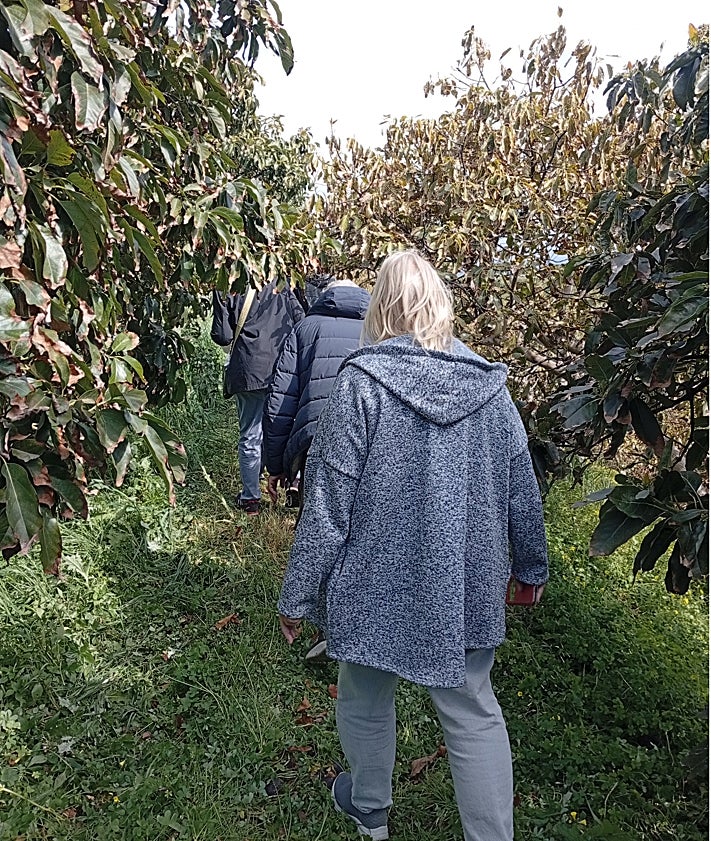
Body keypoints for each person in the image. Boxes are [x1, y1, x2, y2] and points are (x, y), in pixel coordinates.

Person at [276, 250, 549, 841]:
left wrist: (297, 596)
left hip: (373, 578)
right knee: (472, 709)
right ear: (440, 304)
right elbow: (522, 491)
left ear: (381, 306)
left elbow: (327, 503)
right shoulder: (489, 389)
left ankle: (369, 808)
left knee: (365, 689)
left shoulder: (361, 381)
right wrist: (529, 567)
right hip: (462, 582)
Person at [262, 277, 371, 515]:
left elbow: (280, 401)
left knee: (314, 520)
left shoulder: (304, 328)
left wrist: (277, 465)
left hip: (313, 439)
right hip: (365, 437)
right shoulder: (378, 330)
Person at [210, 279, 304, 515]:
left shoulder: (227, 283)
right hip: (282, 368)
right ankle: (291, 484)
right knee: (280, 428)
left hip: (248, 369)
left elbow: (222, 335)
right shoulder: (283, 281)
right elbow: (300, 319)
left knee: (251, 434)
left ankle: (251, 498)